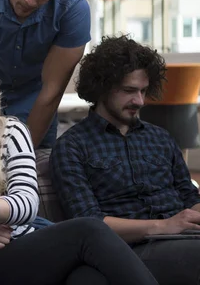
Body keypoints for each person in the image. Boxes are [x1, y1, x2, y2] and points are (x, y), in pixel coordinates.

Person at [0, 49, 158, 285]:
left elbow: (28, 202)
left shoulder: (9, 132)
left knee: (88, 279)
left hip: (28, 244)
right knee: (89, 229)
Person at [51, 35, 200, 285]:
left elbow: (189, 197)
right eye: (129, 91)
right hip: (128, 251)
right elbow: (90, 224)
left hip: (184, 240)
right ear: (102, 87)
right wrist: (165, 226)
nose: (139, 101)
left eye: (143, 91)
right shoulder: (72, 147)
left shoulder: (161, 138)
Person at [0, 0, 91, 149]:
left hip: (36, 115)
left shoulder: (72, 10)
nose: (31, 1)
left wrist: (23, 154)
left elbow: (51, 92)